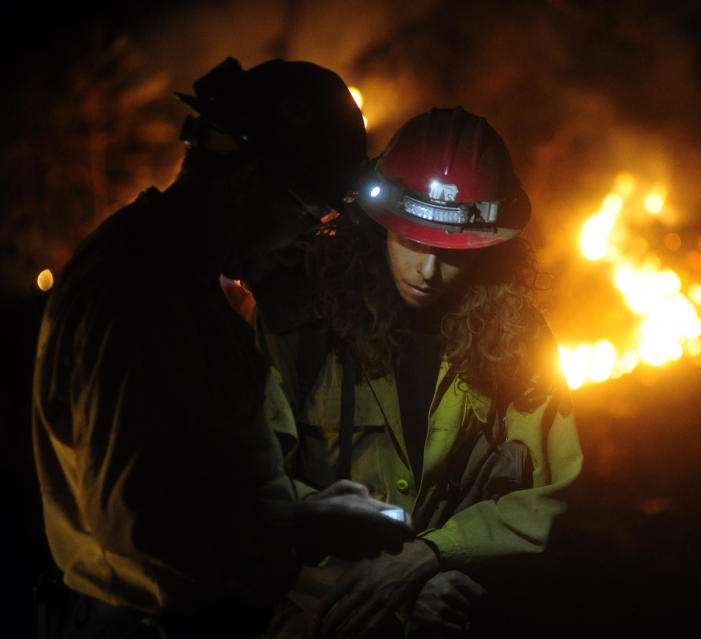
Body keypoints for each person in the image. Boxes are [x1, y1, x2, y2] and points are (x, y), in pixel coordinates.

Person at [31, 57, 411, 639]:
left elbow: (200, 472)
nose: (303, 241)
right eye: (308, 213)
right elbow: (138, 522)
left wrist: (303, 506)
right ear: (248, 180)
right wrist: (305, 527)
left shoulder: (183, 280)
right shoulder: (141, 293)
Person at [253, 107, 583, 638]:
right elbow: (253, 495)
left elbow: (555, 493)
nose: (428, 271)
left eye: (453, 251)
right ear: (375, 223)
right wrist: (387, 588)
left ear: (492, 248)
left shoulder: (518, 337)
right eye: (411, 241)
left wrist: (431, 559)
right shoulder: (300, 328)